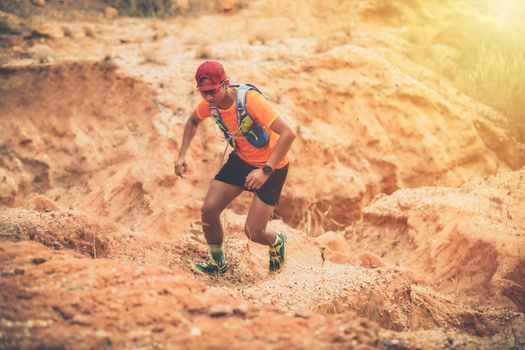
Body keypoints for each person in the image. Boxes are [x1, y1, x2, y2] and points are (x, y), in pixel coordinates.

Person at [174, 60, 296, 276]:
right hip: (241, 160)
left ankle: (277, 241)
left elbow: (288, 133)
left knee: (253, 231)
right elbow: (193, 121)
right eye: (203, 92)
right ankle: (218, 265)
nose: (208, 97)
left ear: (225, 84)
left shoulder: (250, 101)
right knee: (209, 210)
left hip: (273, 167)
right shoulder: (210, 105)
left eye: (212, 91)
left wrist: (265, 171)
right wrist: (182, 153)